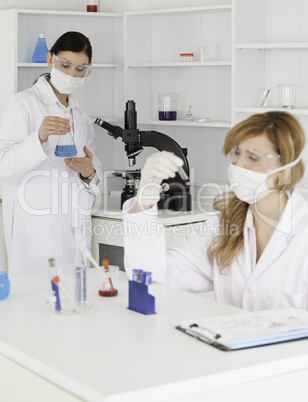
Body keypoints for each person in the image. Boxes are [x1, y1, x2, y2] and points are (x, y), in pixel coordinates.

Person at [122, 111, 308, 311]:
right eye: (236, 153)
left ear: (284, 169)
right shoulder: (223, 226)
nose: (238, 166)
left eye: (253, 157)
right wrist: (145, 199)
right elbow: (150, 276)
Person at [0, 31, 103, 276]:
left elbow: (94, 173)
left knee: (76, 300)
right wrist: (39, 138)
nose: (71, 75)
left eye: (80, 69)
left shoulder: (79, 115)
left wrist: (88, 172)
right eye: (65, 65)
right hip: (36, 227)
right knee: (35, 305)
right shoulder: (23, 104)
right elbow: (4, 166)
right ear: (50, 60)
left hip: (74, 227)